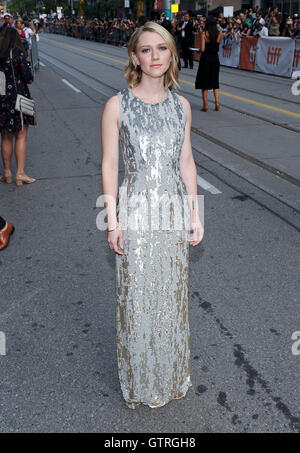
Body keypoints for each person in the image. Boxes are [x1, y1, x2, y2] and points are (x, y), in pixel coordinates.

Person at [101, 21, 203, 409]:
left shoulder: (181, 105)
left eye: (162, 48)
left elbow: (187, 161)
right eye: (146, 49)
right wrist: (113, 221)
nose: (155, 56)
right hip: (138, 214)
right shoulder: (117, 105)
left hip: (173, 213)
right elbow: (110, 166)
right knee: (138, 300)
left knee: (171, 297)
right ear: (134, 57)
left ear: (172, 54)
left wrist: (195, 215)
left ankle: (172, 373)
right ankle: (141, 380)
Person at [0, 26, 36, 186]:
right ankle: (20, 174)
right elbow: (29, 78)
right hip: (19, 98)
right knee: (21, 136)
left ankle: (7, 172)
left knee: (6, 136)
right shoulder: (17, 53)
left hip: (2, 99)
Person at [195, 16, 222, 112]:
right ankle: (217, 103)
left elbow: (202, 49)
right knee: (215, 81)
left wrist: (198, 51)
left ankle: (205, 105)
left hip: (206, 59)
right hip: (215, 58)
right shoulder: (220, 33)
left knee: (204, 82)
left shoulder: (204, 33)